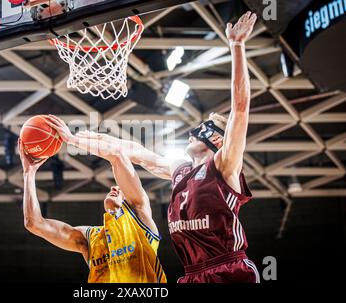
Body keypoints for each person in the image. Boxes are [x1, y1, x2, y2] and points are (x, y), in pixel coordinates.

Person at [74, 11, 260, 283]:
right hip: (191, 274)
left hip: (229, 269)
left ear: (217, 140)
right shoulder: (179, 170)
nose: (191, 134)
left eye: (200, 131)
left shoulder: (224, 165)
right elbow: (131, 150)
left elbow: (240, 109)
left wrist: (237, 46)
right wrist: (74, 138)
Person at [20, 115, 166, 283]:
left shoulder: (140, 221)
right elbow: (34, 224)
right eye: (113, 187)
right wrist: (28, 174)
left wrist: (72, 139)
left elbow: (117, 156)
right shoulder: (91, 238)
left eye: (120, 189)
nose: (114, 188)